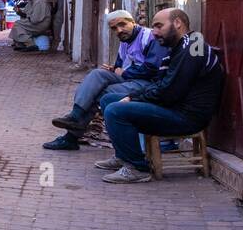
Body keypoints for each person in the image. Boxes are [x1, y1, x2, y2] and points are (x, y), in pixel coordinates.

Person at [94, 8, 224, 184]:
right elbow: (161, 84)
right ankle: (123, 156)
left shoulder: (194, 46)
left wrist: (134, 98)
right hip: (173, 107)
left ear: (177, 23)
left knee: (116, 111)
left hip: (186, 116)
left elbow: (170, 91)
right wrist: (135, 95)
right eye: (153, 27)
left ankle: (137, 168)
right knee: (109, 99)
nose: (154, 32)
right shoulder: (179, 48)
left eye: (158, 26)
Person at [43, 9, 165, 150]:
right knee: (97, 74)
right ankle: (75, 115)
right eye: (114, 28)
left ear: (133, 22)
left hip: (148, 83)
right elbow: (120, 65)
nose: (119, 30)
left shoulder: (149, 37)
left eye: (122, 24)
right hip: (130, 79)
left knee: (101, 93)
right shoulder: (125, 41)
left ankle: (71, 137)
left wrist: (124, 73)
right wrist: (113, 69)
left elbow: (152, 69)